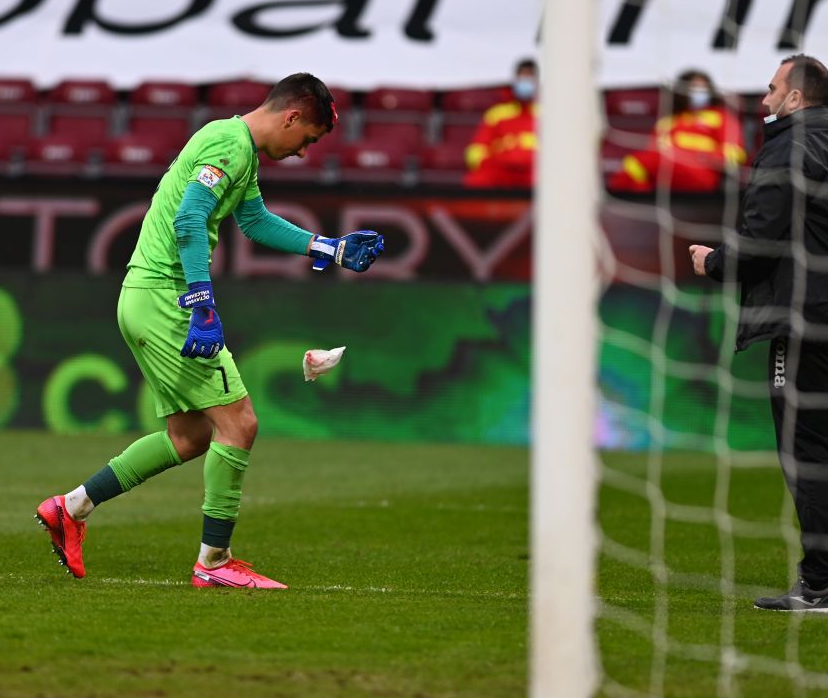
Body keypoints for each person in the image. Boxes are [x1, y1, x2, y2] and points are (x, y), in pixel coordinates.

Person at [36, 73, 384, 589]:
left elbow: (254, 221)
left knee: (191, 435)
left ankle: (71, 508)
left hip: (144, 297)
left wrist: (327, 248)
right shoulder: (227, 143)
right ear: (290, 117)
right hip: (165, 299)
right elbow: (190, 220)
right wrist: (200, 303)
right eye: (308, 138)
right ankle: (214, 563)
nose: (304, 152)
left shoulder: (236, 147)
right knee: (240, 425)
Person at [688, 54, 828, 613]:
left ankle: (820, 584)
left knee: (809, 452)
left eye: (771, 89)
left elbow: (761, 242)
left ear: (796, 98)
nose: (763, 100)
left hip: (812, 320)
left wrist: (714, 262)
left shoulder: (787, 149)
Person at [607, 69, 746, 194]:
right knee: (635, 166)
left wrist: (702, 156)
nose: (698, 92)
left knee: (638, 162)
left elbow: (736, 154)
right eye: (693, 87)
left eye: (702, 88)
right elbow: (655, 151)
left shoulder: (721, 117)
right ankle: (639, 203)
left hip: (704, 173)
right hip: (668, 174)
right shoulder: (668, 122)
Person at [463, 58, 537, 188]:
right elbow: (476, 151)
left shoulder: (548, 115)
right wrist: (490, 162)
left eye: (530, 77)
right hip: (501, 172)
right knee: (478, 180)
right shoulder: (496, 114)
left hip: (534, 171)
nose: (526, 81)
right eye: (522, 76)